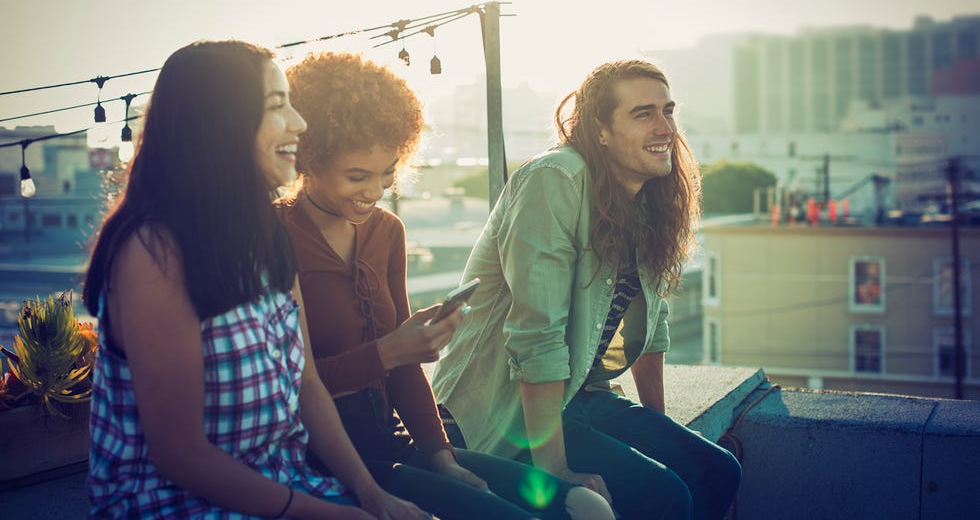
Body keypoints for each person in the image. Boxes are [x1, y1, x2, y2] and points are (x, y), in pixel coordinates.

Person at [83, 40, 427, 519]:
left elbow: (306, 383)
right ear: (219, 123)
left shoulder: (264, 235)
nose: (300, 123)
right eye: (276, 105)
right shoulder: (152, 253)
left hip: (292, 485)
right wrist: (337, 514)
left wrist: (371, 495)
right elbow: (181, 456)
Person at [278, 52, 613, 520]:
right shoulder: (272, 236)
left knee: (585, 506)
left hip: (392, 440)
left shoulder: (387, 230)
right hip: (317, 458)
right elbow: (291, 386)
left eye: (387, 173)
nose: (374, 191)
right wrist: (390, 351)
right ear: (308, 159)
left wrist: (441, 457)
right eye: (357, 176)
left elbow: (404, 369)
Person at [431, 60, 742, 520]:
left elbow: (654, 329)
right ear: (600, 130)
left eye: (668, 110)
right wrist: (556, 469)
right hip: (506, 412)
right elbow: (537, 335)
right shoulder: (555, 180)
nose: (665, 127)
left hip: (580, 394)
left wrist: (659, 425)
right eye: (643, 114)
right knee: (663, 496)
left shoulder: (651, 198)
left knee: (716, 471)